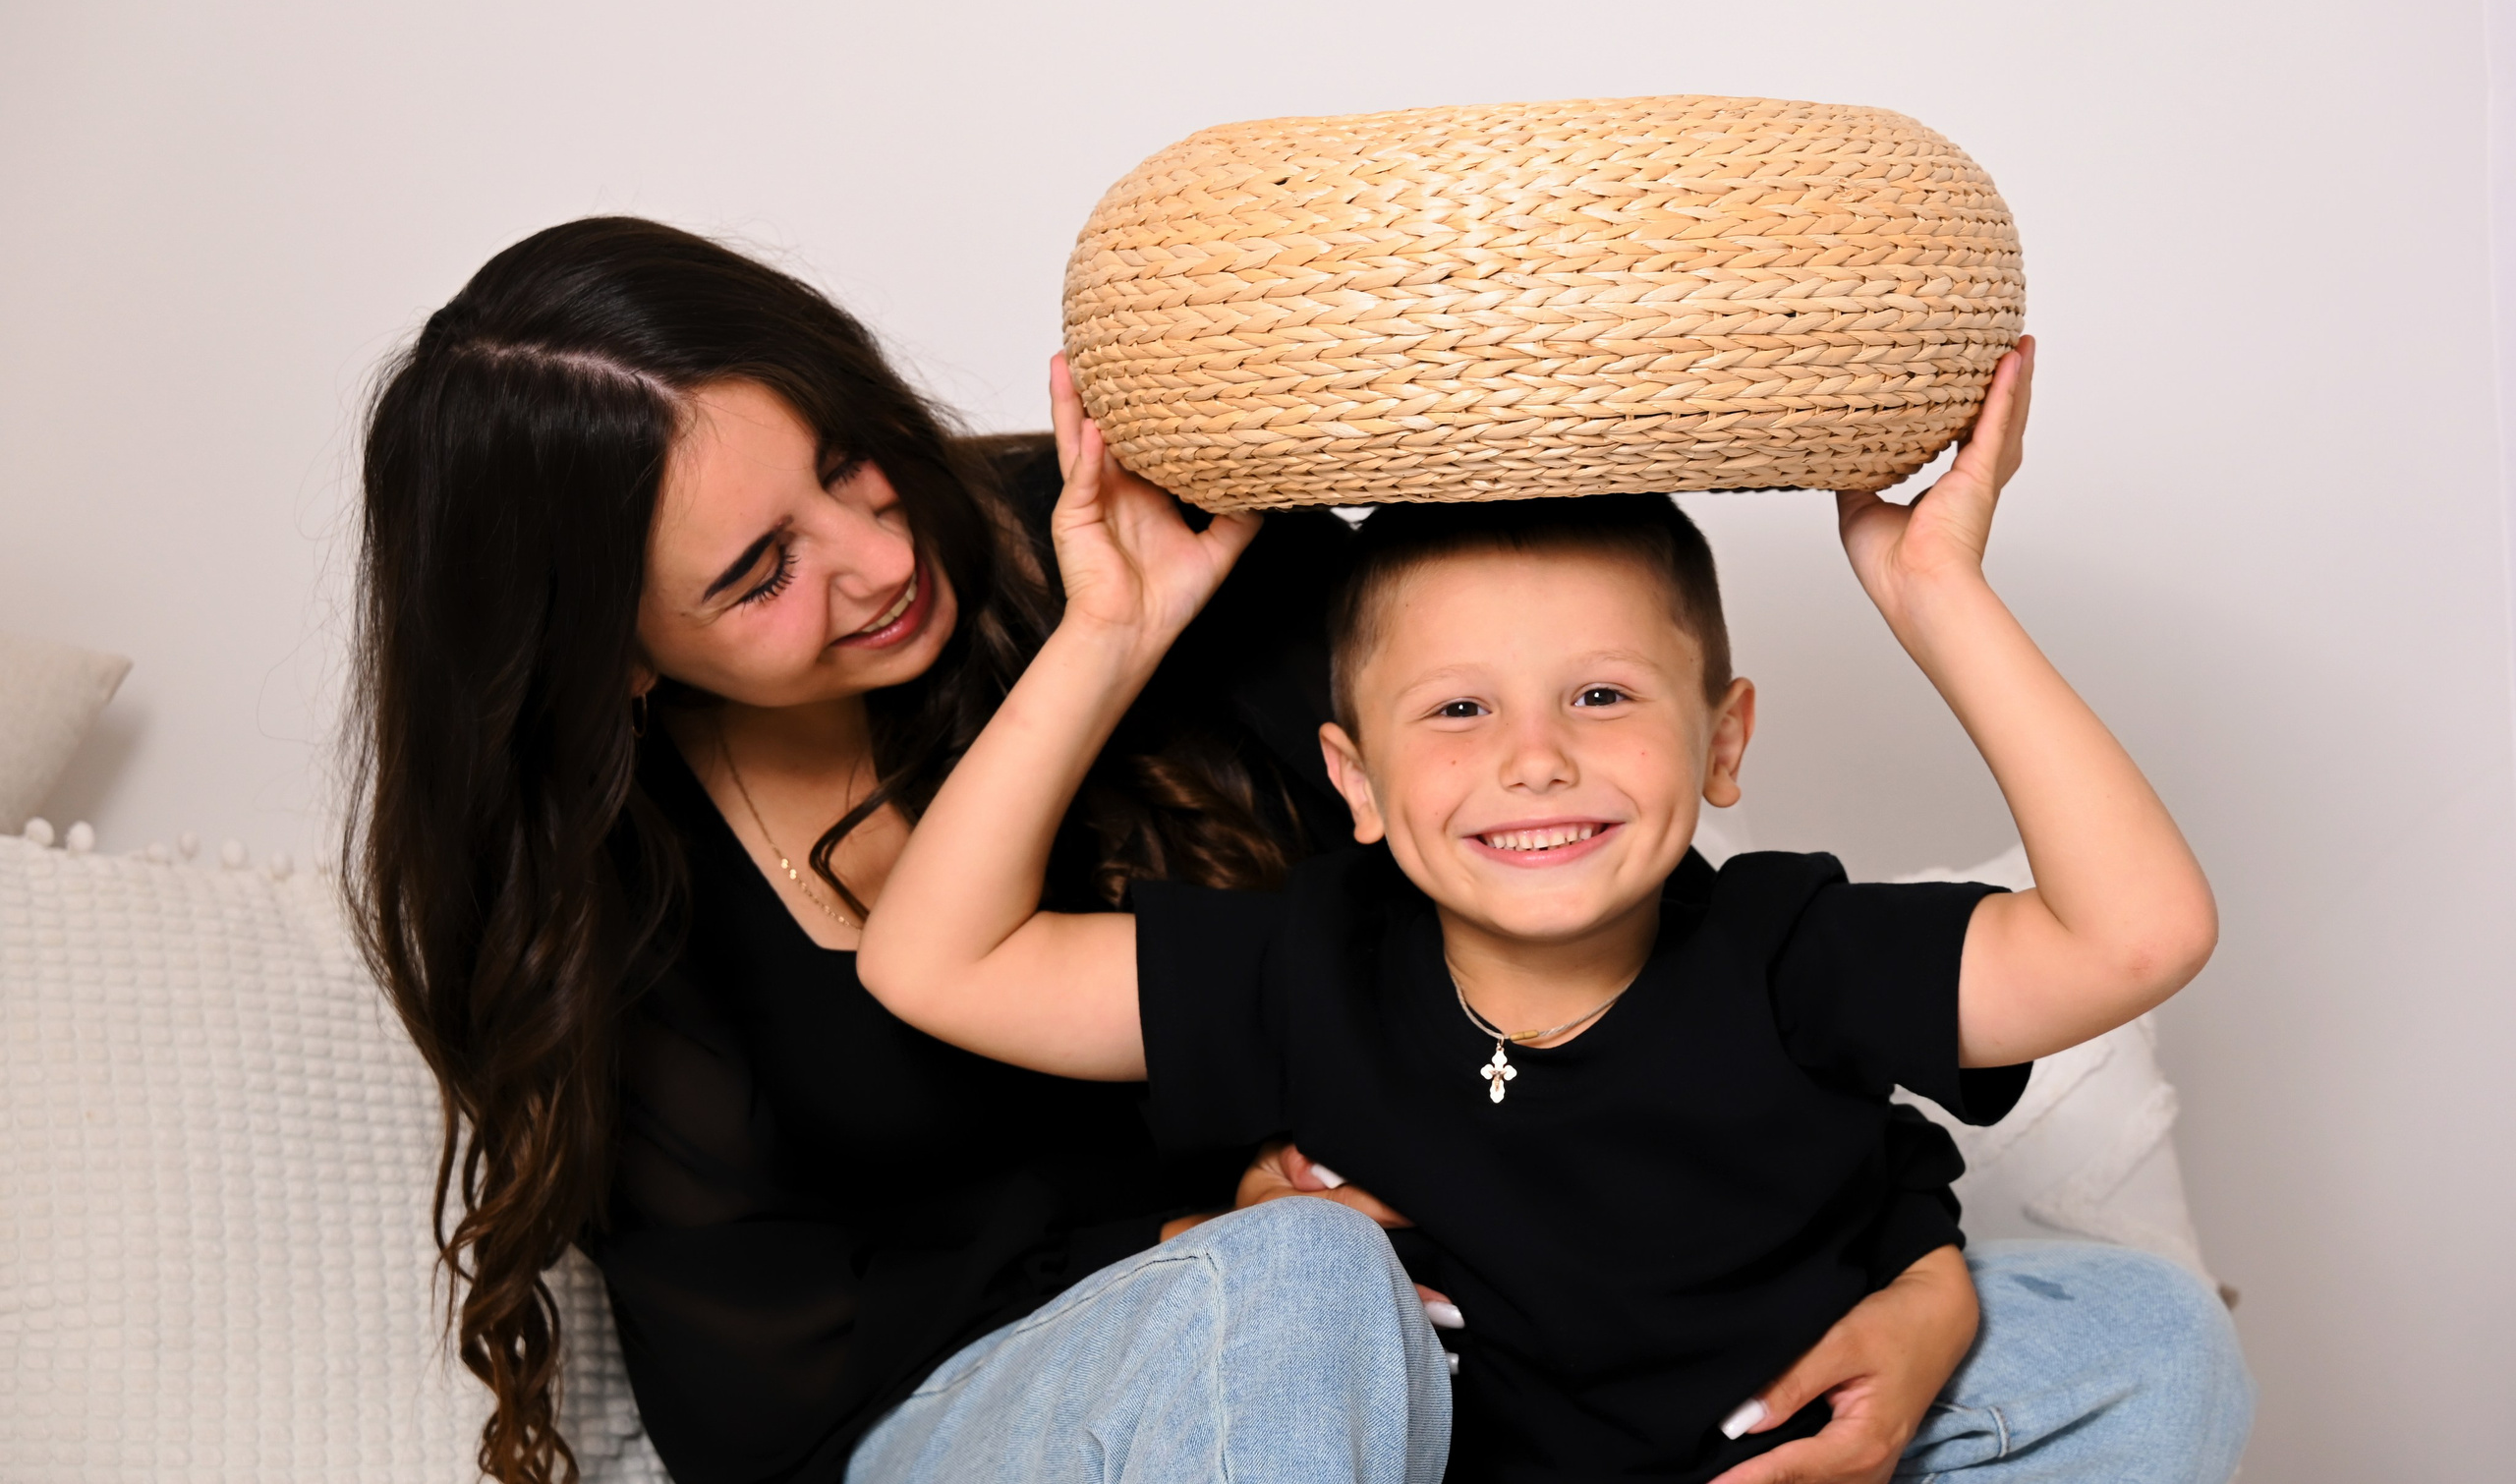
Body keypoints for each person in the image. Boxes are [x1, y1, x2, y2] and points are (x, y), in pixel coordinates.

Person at [343, 217, 1995, 1484]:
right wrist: (1175, 1239)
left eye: (847, 462)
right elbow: (760, 1391)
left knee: (2119, 1336)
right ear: (613, 657)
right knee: (1296, 1290)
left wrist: (1923, 1265)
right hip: (1005, 1410)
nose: (875, 556)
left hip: (1450, 1344)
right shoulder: (619, 899)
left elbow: (1626, 974)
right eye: (759, 574)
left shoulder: (1138, 547)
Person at [856, 344, 2258, 1482]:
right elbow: (937, 963)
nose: (1536, 756)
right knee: (1289, 1266)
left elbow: (2136, 937)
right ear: (1358, 779)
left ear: (1723, 742)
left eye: (1602, 695)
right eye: (1459, 709)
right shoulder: (1310, 961)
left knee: (2151, 1334)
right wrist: (1110, 633)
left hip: (1737, 1444)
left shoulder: (1791, 949)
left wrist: (1936, 588)